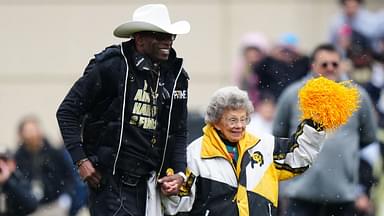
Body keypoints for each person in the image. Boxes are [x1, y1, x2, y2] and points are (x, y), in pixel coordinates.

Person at [56, 4, 190, 216]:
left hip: (151, 187)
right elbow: (67, 111)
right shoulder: (112, 66)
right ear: (139, 39)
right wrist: (81, 160)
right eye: (160, 35)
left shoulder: (176, 76)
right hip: (111, 183)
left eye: (171, 36)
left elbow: (178, 131)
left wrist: (180, 173)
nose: (168, 41)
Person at [162, 86, 326, 216]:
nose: (239, 125)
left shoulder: (264, 144)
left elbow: (299, 157)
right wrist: (171, 191)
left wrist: (316, 123)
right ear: (216, 122)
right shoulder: (195, 153)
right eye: (232, 120)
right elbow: (179, 205)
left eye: (243, 119)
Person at [273, 44, 377, 216]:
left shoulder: (357, 96)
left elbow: (367, 143)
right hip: (299, 195)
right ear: (313, 65)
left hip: (343, 196)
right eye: (324, 64)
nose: (330, 68)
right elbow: (278, 140)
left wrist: (363, 189)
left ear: (342, 65)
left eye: (335, 64)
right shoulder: (293, 94)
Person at [15, 116, 75, 216]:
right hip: (29, 209)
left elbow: (69, 177)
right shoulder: (18, 158)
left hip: (55, 205)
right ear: (21, 135)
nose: (32, 134)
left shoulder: (54, 153)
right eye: (28, 131)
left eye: (34, 130)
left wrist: (66, 198)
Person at [0, 146, 38, 216]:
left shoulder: (20, 177)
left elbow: (32, 204)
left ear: (13, 163)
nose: (1, 164)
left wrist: (7, 181)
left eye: (4, 160)